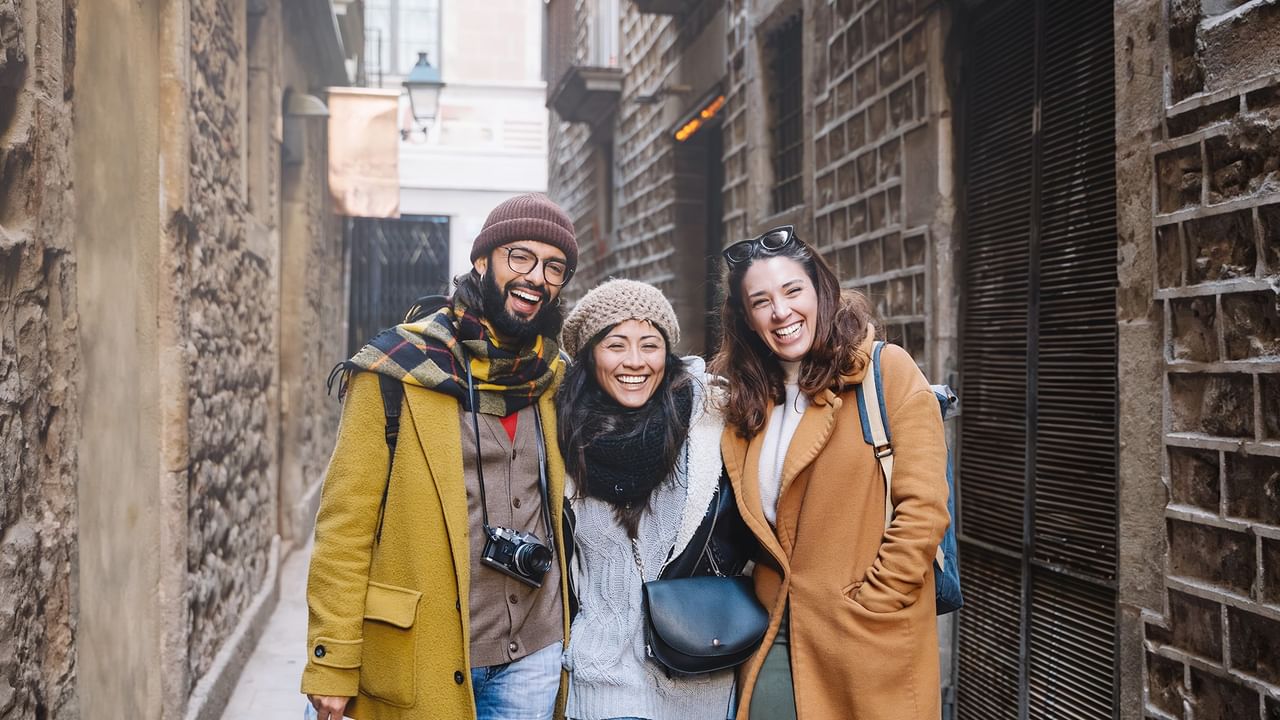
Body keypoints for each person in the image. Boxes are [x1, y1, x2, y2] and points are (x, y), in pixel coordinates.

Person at [302, 193, 579, 720]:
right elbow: (345, 526)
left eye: (553, 267)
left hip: (536, 653)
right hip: (425, 648)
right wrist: (332, 661)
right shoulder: (398, 369)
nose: (535, 276)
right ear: (482, 261)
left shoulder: (556, 378)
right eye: (519, 257)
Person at [709, 226, 949, 719]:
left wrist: (878, 600)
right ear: (747, 319)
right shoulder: (748, 401)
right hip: (773, 627)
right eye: (761, 301)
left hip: (865, 629)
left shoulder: (887, 372)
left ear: (821, 291)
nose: (781, 312)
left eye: (793, 291)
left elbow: (923, 508)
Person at [555, 279, 753, 720]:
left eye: (650, 344)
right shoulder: (560, 435)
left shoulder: (712, 420)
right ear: (589, 354)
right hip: (601, 682)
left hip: (700, 676)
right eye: (616, 344)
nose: (635, 361)